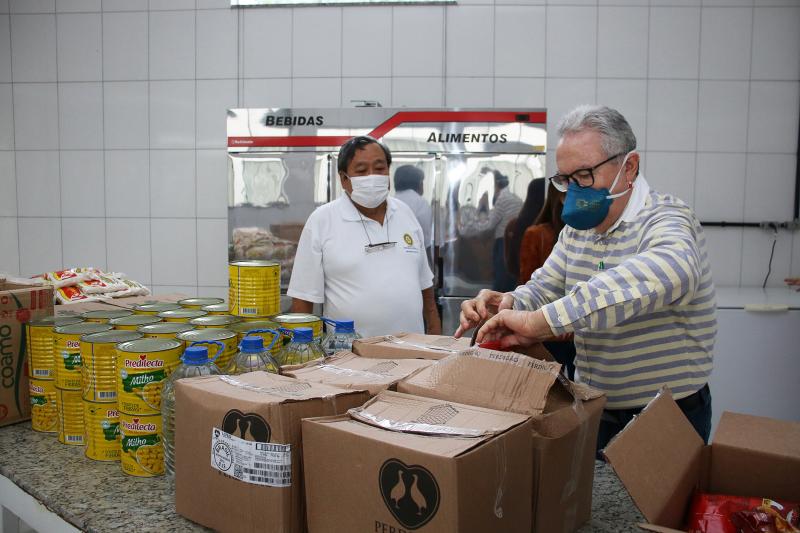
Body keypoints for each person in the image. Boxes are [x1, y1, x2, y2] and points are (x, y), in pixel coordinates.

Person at [456, 105, 717, 456]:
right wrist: (511, 303)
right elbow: (546, 285)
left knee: (657, 512)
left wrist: (539, 322)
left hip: (665, 413)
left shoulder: (667, 218)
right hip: (596, 405)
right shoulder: (578, 234)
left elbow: (669, 272)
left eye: (584, 175)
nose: (573, 191)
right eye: (565, 179)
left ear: (630, 167)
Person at [288, 135, 442, 338]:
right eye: (361, 171)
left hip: (413, 351)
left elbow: (424, 283)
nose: (372, 176)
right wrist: (302, 352)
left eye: (379, 169)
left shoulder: (405, 213)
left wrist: (435, 335)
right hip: (349, 358)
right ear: (344, 179)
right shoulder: (322, 221)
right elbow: (303, 300)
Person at [458, 168, 523, 292]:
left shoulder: (502, 199)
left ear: (496, 185)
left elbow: (488, 225)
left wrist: (467, 228)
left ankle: (498, 308)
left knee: (501, 280)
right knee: (508, 279)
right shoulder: (514, 198)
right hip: (513, 242)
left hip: (503, 243)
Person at [504, 178, 545, 284]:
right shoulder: (544, 231)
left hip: (521, 284)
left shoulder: (514, 225)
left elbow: (510, 261)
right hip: (538, 288)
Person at [393, 165, 433, 250]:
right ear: (420, 183)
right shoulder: (421, 203)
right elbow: (425, 239)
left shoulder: (390, 201)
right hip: (414, 253)